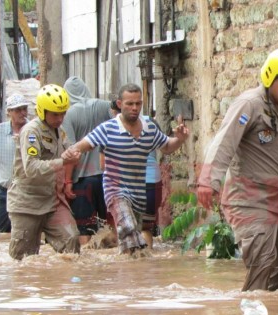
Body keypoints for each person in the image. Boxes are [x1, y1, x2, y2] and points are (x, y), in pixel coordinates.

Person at [197, 48, 278, 291]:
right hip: (249, 198)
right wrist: (208, 181)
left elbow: (266, 154)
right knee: (262, 261)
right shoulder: (249, 104)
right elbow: (225, 142)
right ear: (270, 76)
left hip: (276, 198)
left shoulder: (276, 109)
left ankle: (268, 312)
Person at [63, 83, 189, 255]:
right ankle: (134, 271)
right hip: (115, 190)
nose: (134, 108)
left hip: (138, 193)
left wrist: (180, 139)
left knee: (133, 239)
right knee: (128, 228)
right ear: (120, 104)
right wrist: (67, 156)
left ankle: (128, 272)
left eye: (138, 103)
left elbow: (167, 146)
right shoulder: (108, 128)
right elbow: (83, 145)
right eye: (130, 104)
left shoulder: (149, 127)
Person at [7, 84, 81, 260]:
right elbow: (31, 168)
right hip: (27, 204)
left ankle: (66, 285)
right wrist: (63, 161)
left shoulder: (60, 132)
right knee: (24, 259)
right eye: (55, 114)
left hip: (52, 201)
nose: (60, 118)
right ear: (42, 111)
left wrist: (75, 153)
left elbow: (69, 149)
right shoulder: (31, 132)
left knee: (71, 241)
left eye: (63, 113)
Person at [62, 76, 112, 245]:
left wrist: (68, 181)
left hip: (82, 180)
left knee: (84, 229)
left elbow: (71, 152)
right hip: (109, 178)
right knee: (112, 225)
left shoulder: (68, 114)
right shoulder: (104, 106)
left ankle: (86, 268)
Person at [108, 99, 162, 249]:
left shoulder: (113, 128)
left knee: (128, 229)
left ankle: (132, 267)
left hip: (127, 185)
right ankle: (147, 264)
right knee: (145, 228)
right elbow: (164, 147)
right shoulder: (150, 122)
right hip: (152, 182)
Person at [0, 94, 30, 232]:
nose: (22, 113)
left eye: (24, 109)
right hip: (4, 192)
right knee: (1, 234)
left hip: (28, 192)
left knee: (26, 233)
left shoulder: (34, 130)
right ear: (9, 112)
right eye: (17, 110)